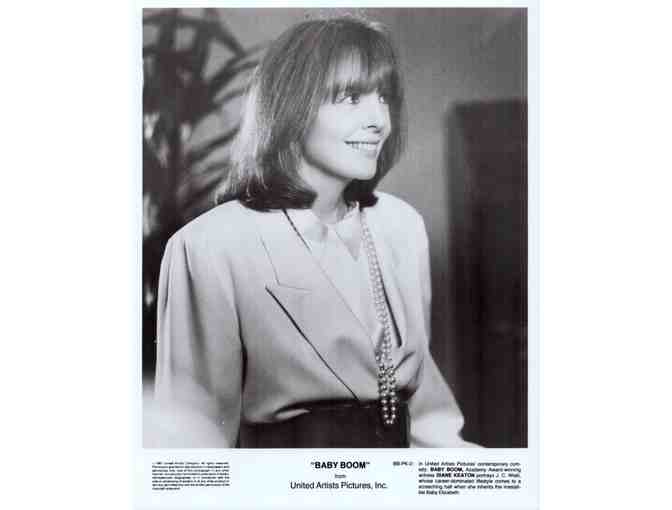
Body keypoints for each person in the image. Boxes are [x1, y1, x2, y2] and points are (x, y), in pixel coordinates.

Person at [154, 15, 475, 448]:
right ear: (292, 106)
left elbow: (427, 421)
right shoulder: (209, 246)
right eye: (351, 97)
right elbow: (194, 448)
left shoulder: (401, 227)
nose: (379, 120)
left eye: (383, 97)